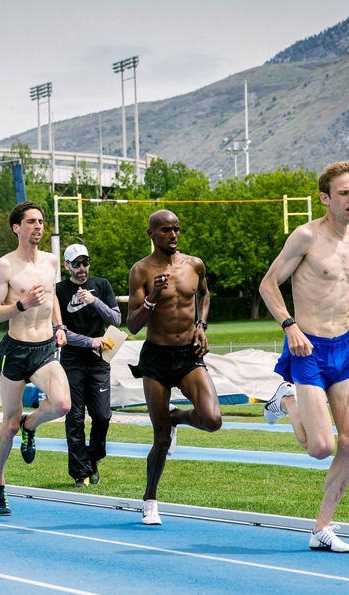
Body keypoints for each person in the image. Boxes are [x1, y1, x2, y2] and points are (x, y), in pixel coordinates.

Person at [258, 161, 349, 554]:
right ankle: (285, 400)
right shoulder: (305, 237)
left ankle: (322, 528)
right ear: (325, 198)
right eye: (343, 193)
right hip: (307, 348)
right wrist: (289, 325)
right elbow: (268, 284)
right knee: (321, 448)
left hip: (345, 348)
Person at [126, 209, 221, 525]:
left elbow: (205, 296)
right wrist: (152, 297)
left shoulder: (194, 264)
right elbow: (133, 324)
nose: (173, 235)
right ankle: (150, 499)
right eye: (166, 230)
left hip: (188, 355)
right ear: (151, 233)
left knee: (212, 419)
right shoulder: (140, 271)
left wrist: (202, 325)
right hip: (156, 360)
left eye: (177, 229)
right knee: (161, 438)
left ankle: (179, 416)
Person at [0, 200, 72, 516]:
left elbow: (52, 298)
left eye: (41, 221)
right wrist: (21, 305)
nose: (38, 226)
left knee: (62, 405)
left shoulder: (50, 261)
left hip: (45, 347)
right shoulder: (5, 265)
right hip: (16, 350)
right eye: (32, 221)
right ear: (17, 227)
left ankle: (31, 424)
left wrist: (59, 325)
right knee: (8, 426)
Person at [56, 243, 120, 487]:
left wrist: (94, 301)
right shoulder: (58, 291)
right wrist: (89, 341)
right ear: (67, 266)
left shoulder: (101, 285)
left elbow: (115, 318)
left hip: (99, 362)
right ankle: (79, 472)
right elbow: (58, 331)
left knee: (102, 416)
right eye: (76, 264)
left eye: (85, 262)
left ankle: (93, 459)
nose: (82, 268)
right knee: (74, 418)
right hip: (72, 361)